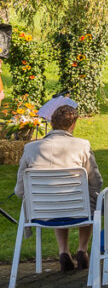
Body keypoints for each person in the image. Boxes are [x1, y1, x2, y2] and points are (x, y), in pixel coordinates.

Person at [15, 105, 102, 272]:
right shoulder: (82, 145)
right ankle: (82, 250)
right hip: (77, 207)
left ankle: (63, 252)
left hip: (42, 210)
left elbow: (20, 188)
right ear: (73, 125)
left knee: (57, 199)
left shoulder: (31, 148)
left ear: (52, 123)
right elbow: (96, 182)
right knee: (90, 199)